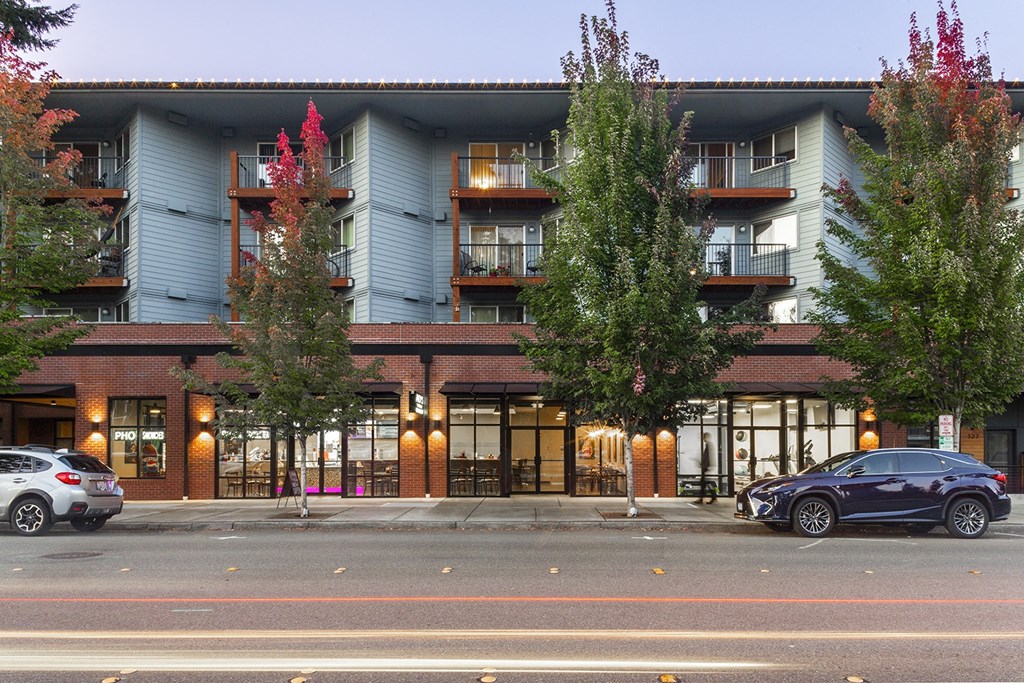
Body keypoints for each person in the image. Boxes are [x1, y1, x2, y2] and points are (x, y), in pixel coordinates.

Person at [700, 432, 717, 504]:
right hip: (706, 467)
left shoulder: (709, 445)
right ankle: (703, 498)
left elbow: (709, 457)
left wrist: (707, 466)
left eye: (703, 437)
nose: (703, 438)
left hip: (707, 467)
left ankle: (713, 497)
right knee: (704, 483)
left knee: (705, 482)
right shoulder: (708, 445)